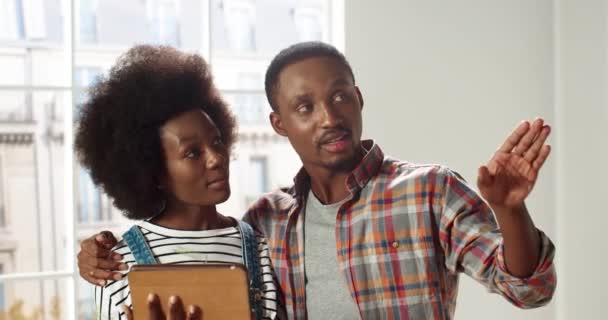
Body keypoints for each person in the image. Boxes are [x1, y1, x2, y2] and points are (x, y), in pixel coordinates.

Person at [77, 42, 556, 320]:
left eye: (341, 96)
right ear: (279, 123)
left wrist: (510, 210)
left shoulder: (430, 191)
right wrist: (96, 255)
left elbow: (529, 290)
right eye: (305, 107)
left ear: (359, 99)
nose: (330, 117)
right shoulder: (263, 223)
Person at [74, 45, 284, 320]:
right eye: (193, 152)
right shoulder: (117, 264)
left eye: (217, 141)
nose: (216, 158)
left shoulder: (261, 248)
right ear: (155, 171)